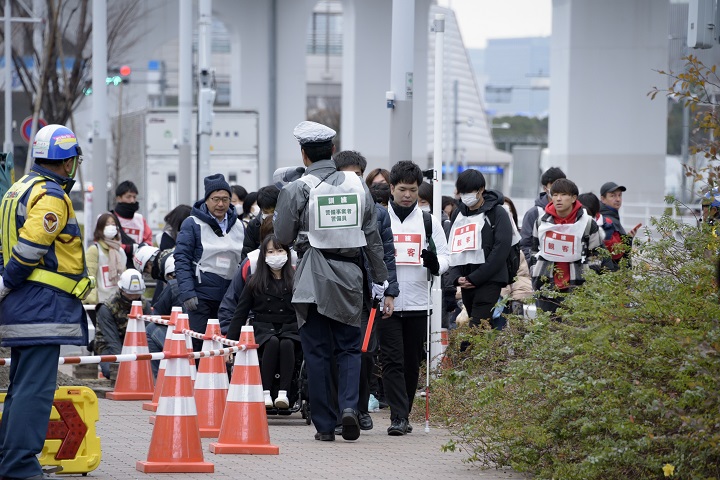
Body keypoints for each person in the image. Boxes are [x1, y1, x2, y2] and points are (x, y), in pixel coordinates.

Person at [274, 121, 388, 442]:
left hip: (312, 275)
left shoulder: (297, 188)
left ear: (304, 154)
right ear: (334, 151)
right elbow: (372, 238)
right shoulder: (357, 185)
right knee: (350, 349)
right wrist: (380, 279)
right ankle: (350, 408)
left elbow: (282, 236)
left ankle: (325, 426)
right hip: (351, 275)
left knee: (318, 352)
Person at [0, 124, 91, 479]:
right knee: (34, 391)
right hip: (41, 305)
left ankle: (10, 461)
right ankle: (20, 466)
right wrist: (8, 280)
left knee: (21, 387)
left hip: (22, 305)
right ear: (67, 162)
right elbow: (31, 246)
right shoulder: (50, 195)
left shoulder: (18, 189)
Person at [382, 160, 450, 436]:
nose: (407, 195)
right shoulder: (379, 217)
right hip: (386, 300)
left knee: (411, 361)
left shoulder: (428, 221)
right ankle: (397, 417)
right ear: (391, 188)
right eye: (402, 189)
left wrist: (435, 264)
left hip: (419, 302)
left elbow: (446, 257)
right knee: (392, 360)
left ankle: (405, 412)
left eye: (412, 190)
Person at [334, 150, 399, 432]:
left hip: (365, 294)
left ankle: (359, 408)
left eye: (359, 175)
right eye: (348, 175)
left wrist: (389, 291)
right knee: (337, 352)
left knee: (363, 352)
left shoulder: (379, 213)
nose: (355, 180)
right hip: (334, 291)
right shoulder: (328, 208)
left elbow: (387, 255)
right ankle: (340, 411)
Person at [227, 235, 300, 409]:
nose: (276, 255)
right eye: (271, 251)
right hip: (262, 327)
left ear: (288, 254)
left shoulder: (296, 280)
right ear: (264, 255)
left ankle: (285, 393)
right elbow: (240, 313)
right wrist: (230, 343)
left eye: (280, 250)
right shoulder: (255, 281)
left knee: (287, 344)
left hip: (290, 327)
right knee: (273, 342)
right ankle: (265, 392)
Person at [175, 173, 245, 351]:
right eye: (215, 199)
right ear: (206, 200)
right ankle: (198, 378)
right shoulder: (192, 223)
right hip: (201, 295)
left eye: (225, 199)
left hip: (229, 295)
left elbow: (245, 259)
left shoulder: (239, 225)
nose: (220, 204)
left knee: (226, 341)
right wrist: (187, 293)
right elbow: (182, 259)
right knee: (200, 342)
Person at [447, 169, 514, 330]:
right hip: (466, 281)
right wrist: (457, 278)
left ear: (481, 190)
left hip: (489, 280)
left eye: (469, 191)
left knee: (476, 327)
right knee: (480, 328)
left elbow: (501, 249)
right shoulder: (459, 214)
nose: (465, 196)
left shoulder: (498, 212)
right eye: (462, 192)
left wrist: (475, 278)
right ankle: (485, 355)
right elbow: (453, 248)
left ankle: (466, 354)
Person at [530, 178, 602, 315]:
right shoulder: (541, 222)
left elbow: (596, 255)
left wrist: (588, 277)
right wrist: (535, 271)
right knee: (546, 331)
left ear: (574, 198)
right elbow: (534, 250)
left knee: (573, 332)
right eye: (555, 194)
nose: (558, 199)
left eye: (563, 195)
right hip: (546, 287)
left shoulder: (587, 224)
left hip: (577, 287)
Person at [93, 269, 151, 379]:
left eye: (137, 294)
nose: (134, 298)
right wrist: (125, 363)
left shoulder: (144, 305)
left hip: (136, 345)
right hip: (108, 346)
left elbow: (148, 332)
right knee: (114, 371)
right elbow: (112, 340)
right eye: (130, 294)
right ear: (121, 289)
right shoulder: (106, 308)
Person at [519, 167, 566, 263]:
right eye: (554, 186)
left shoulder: (573, 212)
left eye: (562, 185)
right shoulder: (534, 213)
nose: (559, 190)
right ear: (545, 188)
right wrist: (534, 266)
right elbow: (525, 244)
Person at [147, 254, 182, 378]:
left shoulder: (173, 285)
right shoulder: (201, 281)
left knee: (150, 329)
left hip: (182, 341)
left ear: (169, 275)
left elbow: (157, 315)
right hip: (202, 339)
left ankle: (157, 380)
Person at [498, 197, 533, 318]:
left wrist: (517, 300)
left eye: (509, 211)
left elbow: (522, 276)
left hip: (508, 302)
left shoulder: (517, 246)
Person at [85, 213, 128, 305]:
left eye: (113, 224)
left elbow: (124, 276)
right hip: (99, 303)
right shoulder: (94, 250)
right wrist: (91, 300)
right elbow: (89, 276)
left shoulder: (120, 251)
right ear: (100, 228)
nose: (111, 227)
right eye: (107, 224)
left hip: (118, 303)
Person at [111, 180, 153, 268]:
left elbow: (148, 241)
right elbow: (104, 243)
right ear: (119, 198)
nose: (132, 201)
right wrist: (128, 248)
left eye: (134, 197)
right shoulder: (109, 218)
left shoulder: (140, 220)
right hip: (114, 265)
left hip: (136, 267)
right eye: (128, 197)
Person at [599, 181, 641, 267]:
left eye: (619, 195)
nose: (618, 199)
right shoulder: (606, 220)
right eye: (613, 196)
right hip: (611, 274)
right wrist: (627, 241)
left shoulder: (611, 216)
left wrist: (628, 238)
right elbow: (613, 252)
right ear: (603, 199)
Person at [242, 185, 280, 258]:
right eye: (266, 212)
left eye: (273, 211)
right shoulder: (254, 226)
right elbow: (247, 253)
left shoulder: (288, 224)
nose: (269, 215)